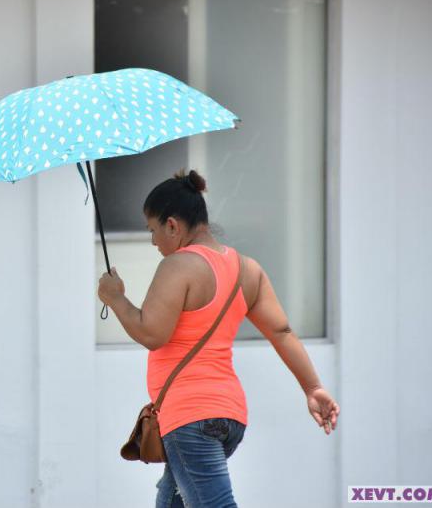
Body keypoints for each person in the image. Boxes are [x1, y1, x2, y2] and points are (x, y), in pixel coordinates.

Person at [97, 169, 339, 508]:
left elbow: (151, 334)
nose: (153, 242)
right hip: (229, 416)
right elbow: (281, 332)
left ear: (172, 225)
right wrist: (312, 388)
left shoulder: (178, 265)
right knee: (171, 502)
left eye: (152, 230)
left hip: (191, 417)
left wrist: (115, 298)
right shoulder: (247, 269)